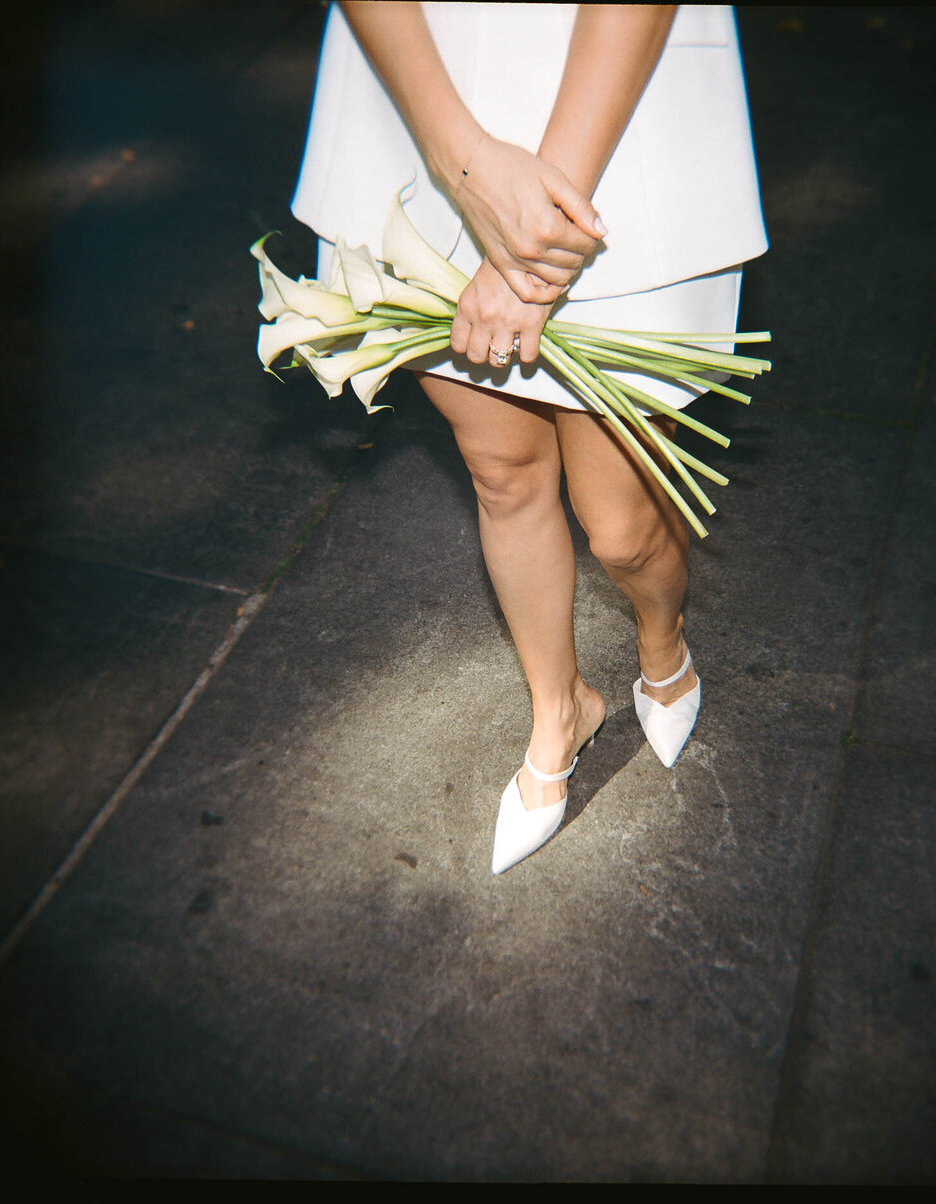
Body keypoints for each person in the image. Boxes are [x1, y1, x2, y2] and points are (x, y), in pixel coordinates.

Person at [291, 2, 767, 873]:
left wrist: (530, 247)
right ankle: (562, 706)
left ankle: (663, 637)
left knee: (620, 524)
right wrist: (460, 163)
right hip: (423, 96)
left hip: (614, 114)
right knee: (501, 471)